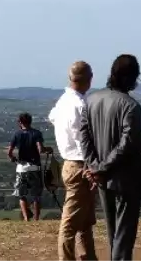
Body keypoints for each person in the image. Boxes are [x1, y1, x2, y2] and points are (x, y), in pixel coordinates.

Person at [79, 55, 141, 261]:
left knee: (113, 233)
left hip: (101, 178)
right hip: (126, 178)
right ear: (133, 77)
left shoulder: (90, 100)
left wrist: (95, 167)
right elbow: (128, 143)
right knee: (123, 236)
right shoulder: (130, 106)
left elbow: (84, 137)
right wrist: (102, 167)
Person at [49, 60, 98, 261]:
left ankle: (88, 256)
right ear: (89, 79)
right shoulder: (81, 104)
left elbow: (52, 117)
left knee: (85, 220)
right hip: (80, 163)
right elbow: (83, 139)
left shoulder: (63, 101)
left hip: (69, 162)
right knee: (70, 223)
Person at [9, 112, 46, 221]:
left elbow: (9, 152)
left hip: (21, 168)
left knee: (21, 195)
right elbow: (40, 149)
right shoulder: (36, 133)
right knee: (36, 195)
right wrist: (48, 149)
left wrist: (13, 158)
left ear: (20, 122)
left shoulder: (17, 134)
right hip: (35, 167)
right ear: (30, 121)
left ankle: (26, 218)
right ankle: (36, 218)